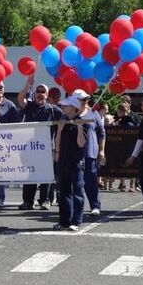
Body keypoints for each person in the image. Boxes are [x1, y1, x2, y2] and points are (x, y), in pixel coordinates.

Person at [17, 75, 62, 210]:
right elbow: (20, 99)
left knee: (46, 176)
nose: (40, 94)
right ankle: (28, 201)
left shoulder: (53, 109)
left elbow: (63, 123)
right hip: (30, 148)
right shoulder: (30, 106)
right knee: (30, 175)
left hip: (48, 149)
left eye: (43, 92)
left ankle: (45, 200)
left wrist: (57, 147)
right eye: (38, 91)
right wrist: (28, 86)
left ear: (47, 95)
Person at [53, 96, 86, 231]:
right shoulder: (64, 120)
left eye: (66, 106)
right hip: (63, 160)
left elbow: (81, 143)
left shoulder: (83, 122)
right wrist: (60, 130)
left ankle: (76, 221)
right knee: (63, 191)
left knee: (78, 192)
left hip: (76, 162)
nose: (63, 108)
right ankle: (64, 221)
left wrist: (79, 128)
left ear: (73, 108)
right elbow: (57, 140)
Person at [72, 89, 106, 217]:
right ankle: (75, 207)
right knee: (75, 182)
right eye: (82, 99)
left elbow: (101, 133)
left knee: (91, 180)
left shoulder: (94, 113)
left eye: (86, 99)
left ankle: (95, 206)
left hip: (90, 152)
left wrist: (102, 150)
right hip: (74, 152)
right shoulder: (71, 114)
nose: (85, 101)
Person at [0, 82, 20, 207]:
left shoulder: (9, 105)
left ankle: (0, 197)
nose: (0, 90)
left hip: (4, 143)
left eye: (2, 88)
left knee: (0, 172)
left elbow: (16, 124)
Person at [115, 103, 138, 192]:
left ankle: (125, 184)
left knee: (125, 163)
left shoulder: (126, 120)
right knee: (130, 164)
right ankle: (129, 185)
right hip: (130, 144)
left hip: (126, 144)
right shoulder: (129, 119)